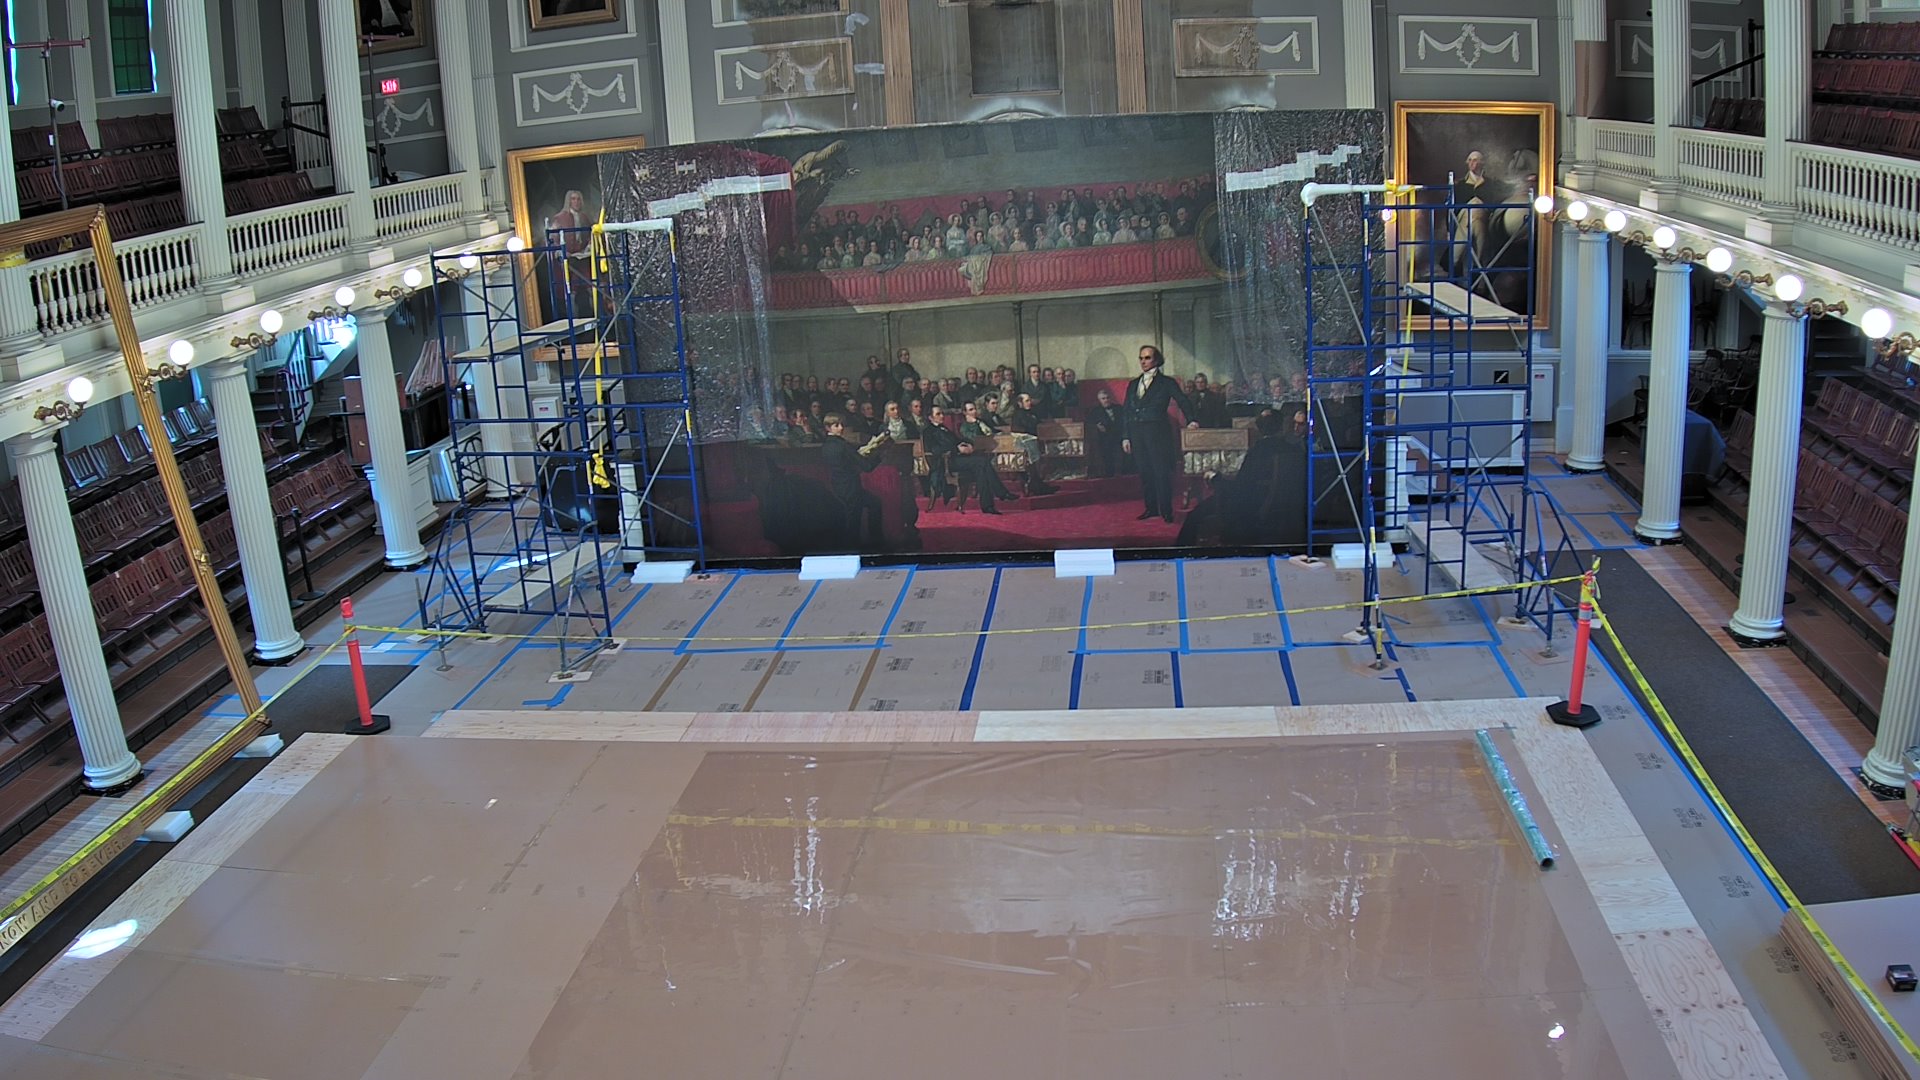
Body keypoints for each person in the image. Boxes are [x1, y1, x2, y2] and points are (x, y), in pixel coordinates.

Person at [1121, 344, 1199, 523]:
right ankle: (1151, 509)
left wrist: (1191, 420)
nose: (1143, 361)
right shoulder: (1133, 384)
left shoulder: (1166, 382)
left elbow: (1182, 400)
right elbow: (1126, 411)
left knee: (1161, 472)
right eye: (1141, 358)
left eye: (1147, 358)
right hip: (1136, 433)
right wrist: (1125, 436)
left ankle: (1166, 511)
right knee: (1144, 472)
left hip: (1157, 433)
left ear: (1156, 360)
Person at [820, 414, 889, 549]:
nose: (841, 428)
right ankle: (873, 544)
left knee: (872, 504)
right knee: (854, 519)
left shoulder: (825, 446)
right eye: (836, 425)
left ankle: (868, 544)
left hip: (837, 486)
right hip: (852, 488)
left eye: (841, 425)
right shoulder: (843, 446)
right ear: (828, 428)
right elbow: (867, 467)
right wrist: (879, 456)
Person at [1087, 387, 1126, 477]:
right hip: (1104, 439)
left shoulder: (1119, 408)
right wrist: (1097, 427)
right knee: (1107, 459)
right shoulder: (1095, 411)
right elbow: (1089, 423)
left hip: (1119, 437)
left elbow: (1124, 422)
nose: (1106, 400)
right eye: (1103, 398)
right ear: (1099, 400)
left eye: (1107, 398)